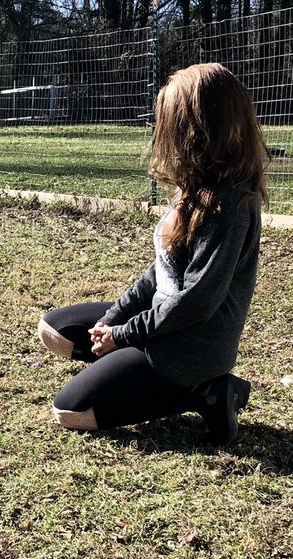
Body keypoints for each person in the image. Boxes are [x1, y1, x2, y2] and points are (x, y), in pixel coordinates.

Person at [37, 62, 268, 446]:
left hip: (191, 346)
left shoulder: (231, 203)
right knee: (55, 331)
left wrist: (124, 335)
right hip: (162, 320)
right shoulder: (197, 184)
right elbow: (160, 270)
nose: (161, 131)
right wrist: (113, 320)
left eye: (169, 120)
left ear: (197, 127)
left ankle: (206, 392)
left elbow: (196, 302)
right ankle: (133, 374)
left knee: (71, 411)